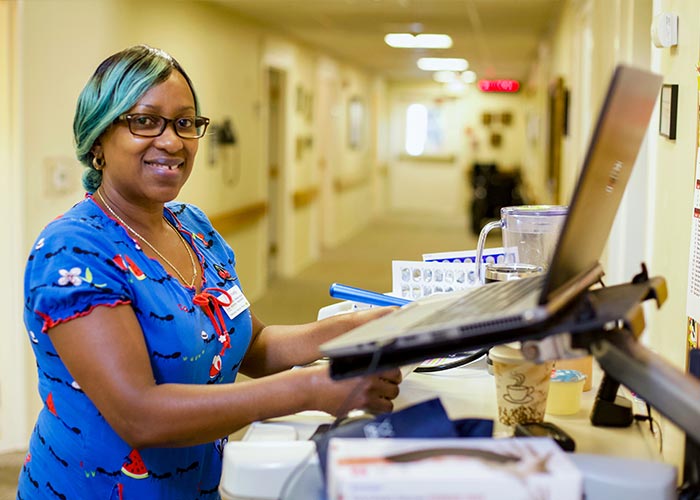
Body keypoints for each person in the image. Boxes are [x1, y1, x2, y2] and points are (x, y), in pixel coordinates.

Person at [17, 44, 401, 499]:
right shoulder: (74, 251)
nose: (172, 141)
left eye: (185, 122)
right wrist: (313, 388)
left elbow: (250, 344)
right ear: (98, 139)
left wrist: (362, 328)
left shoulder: (191, 227)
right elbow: (140, 414)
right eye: (144, 121)